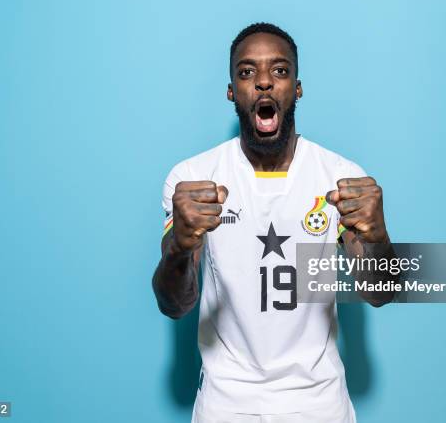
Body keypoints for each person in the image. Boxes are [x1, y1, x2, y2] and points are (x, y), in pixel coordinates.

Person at [153, 22, 396, 423]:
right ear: (232, 90)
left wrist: (379, 236)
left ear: (297, 88)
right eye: (247, 72)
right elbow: (174, 303)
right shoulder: (194, 178)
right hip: (226, 404)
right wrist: (180, 245)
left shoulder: (338, 176)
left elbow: (380, 293)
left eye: (280, 71)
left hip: (319, 403)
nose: (264, 82)